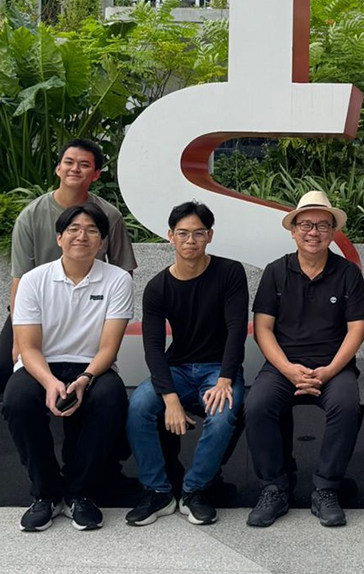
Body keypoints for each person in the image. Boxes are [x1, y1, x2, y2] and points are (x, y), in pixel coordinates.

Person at [2, 203, 134, 532]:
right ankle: (45, 493)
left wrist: (86, 378)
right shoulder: (34, 281)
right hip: (40, 366)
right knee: (17, 400)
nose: (82, 236)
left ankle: (80, 493)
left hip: (91, 366)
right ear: (59, 238)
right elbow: (28, 346)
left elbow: (109, 347)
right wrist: (48, 382)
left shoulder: (117, 280)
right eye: (73, 229)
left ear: (102, 242)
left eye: (91, 230)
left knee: (110, 398)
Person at [244, 191, 364, 529]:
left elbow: (357, 329)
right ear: (294, 230)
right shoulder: (275, 271)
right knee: (257, 405)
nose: (314, 232)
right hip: (283, 365)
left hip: (333, 365)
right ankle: (275, 487)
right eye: (307, 225)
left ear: (332, 232)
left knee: (347, 403)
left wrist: (329, 371)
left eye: (323, 226)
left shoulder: (347, 274)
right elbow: (263, 329)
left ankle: (326, 488)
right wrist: (287, 369)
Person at [125, 201, 248, 527]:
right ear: (170, 236)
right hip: (177, 368)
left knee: (222, 414)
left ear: (209, 236)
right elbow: (153, 348)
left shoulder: (230, 273)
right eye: (183, 233)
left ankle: (195, 490)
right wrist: (169, 399)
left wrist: (225, 378)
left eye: (197, 233)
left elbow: (237, 329)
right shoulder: (157, 287)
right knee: (138, 405)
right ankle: (157, 491)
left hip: (217, 368)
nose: (190, 240)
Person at [0, 140, 136, 401]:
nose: (74, 169)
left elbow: (123, 271)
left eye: (84, 165)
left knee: (103, 387)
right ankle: (2, 438)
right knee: (2, 370)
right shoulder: (30, 216)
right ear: (58, 168)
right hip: (36, 308)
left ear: (96, 174)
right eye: (68, 162)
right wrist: (17, 341)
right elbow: (20, 279)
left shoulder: (110, 216)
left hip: (88, 307)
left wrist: (109, 317)